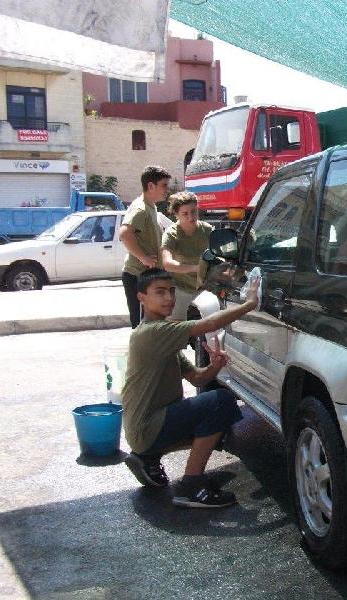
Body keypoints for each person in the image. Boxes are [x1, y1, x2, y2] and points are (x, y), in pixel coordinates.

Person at [121, 267, 260, 508]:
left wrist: (215, 366)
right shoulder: (151, 332)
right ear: (141, 297)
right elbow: (208, 323)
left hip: (147, 429)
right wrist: (249, 304)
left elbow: (197, 378)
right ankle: (191, 486)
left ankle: (149, 455)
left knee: (220, 424)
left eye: (171, 291)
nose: (169, 298)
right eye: (160, 292)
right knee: (222, 402)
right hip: (147, 428)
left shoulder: (162, 335)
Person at [119, 166, 171, 328]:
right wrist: (144, 258)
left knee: (151, 325)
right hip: (137, 276)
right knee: (142, 327)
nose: (167, 190)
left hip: (147, 276)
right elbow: (124, 234)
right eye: (164, 185)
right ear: (151, 186)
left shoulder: (151, 206)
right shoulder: (141, 209)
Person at [161, 192, 213, 321]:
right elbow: (167, 264)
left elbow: (221, 252)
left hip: (205, 289)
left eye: (194, 212)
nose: (191, 217)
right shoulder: (171, 234)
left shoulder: (207, 230)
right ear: (177, 215)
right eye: (185, 213)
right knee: (176, 328)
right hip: (180, 289)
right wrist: (196, 268)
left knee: (217, 324)